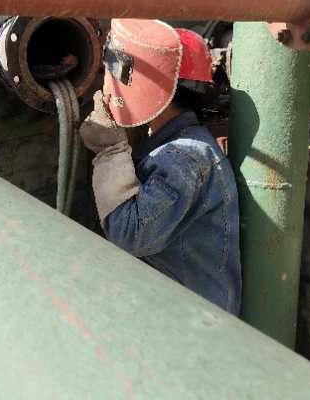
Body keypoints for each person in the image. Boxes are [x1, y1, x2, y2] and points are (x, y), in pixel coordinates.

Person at [79, 19, 241, 315]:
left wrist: (110, 150)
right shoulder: (175, 145)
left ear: (151, 88)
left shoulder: (186, 157)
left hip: (195, 326)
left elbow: (129, 235)